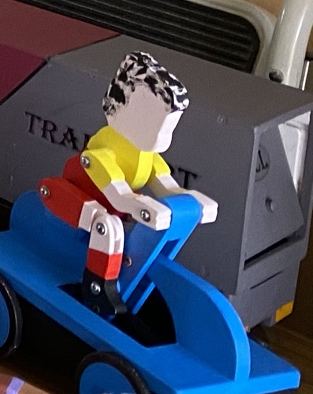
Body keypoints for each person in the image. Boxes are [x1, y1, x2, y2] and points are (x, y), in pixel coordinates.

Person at [36, 50, 217, 316]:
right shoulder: (102, 151)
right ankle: (97, 289)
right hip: (70, 195)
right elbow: (119, 194)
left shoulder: (145, 156)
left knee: (115, 223)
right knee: (106, 225)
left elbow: (167, 186)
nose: (161, 136)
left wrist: (190, 200)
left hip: (109, 206)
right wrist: (138, 205)